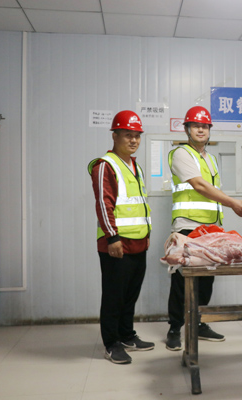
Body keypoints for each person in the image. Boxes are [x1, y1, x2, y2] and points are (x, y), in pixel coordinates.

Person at [166, 105, 242, 351]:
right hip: (188, 226)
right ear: (187, 129)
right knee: (181, 280)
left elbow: (213, 192)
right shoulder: (181, 154)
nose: (201, 130)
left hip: (212, 228)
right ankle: (175, 328)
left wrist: (231, 208)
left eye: (204, 126)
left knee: (206, 280)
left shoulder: (211, 159)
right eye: (196, 126)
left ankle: (199, 322)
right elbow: (200, 186)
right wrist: (233, 203)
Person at [88, 110, 154, 364]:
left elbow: (139, 205)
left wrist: (146, 235)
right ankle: (111, 343)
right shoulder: (105, 165)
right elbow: (104, 204)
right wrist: (112, 237)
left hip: (139, 242)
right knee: (114, 296)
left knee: (130, 295)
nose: (134, 140)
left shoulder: (135, 166)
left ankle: (126, 335)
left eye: (137, 135)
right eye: (128, 135)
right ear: (114, 136)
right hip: (117, 244)